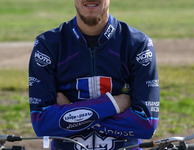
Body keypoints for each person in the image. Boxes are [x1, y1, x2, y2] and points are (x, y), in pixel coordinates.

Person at [29, 0, 160, 149]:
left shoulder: (137, 44)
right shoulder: (47, 45)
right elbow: (42, 125)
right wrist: (114, 105)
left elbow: (146, 124)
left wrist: (72, 114)